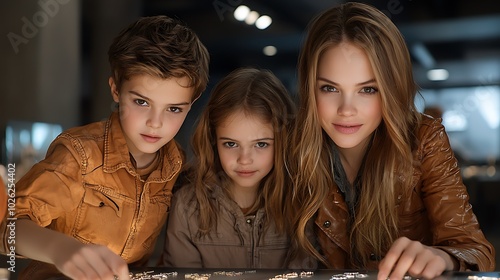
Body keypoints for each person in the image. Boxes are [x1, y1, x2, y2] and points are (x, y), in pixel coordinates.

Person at [288, 2, 495, 280]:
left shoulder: (424, 139)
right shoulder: (290, 145)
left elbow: (475, 250)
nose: (346, 109)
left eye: (368, 89)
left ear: (392, 89)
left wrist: (441, 257)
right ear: (308, 89)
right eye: (329, 88)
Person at [0, 15, 209, 280]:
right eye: (142, 102)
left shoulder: (175, 162)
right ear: (116, 90)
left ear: (192, 104)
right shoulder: (80, 155)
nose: (156, 123)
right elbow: (9, 229)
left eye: (174, 109)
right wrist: (61, 249)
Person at [160, 67, 304, 269]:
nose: (244, 159)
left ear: (283, 142)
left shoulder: (302, 204)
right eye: (231, 144)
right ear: (213, 141)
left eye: (261, 144)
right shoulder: (188, 207)